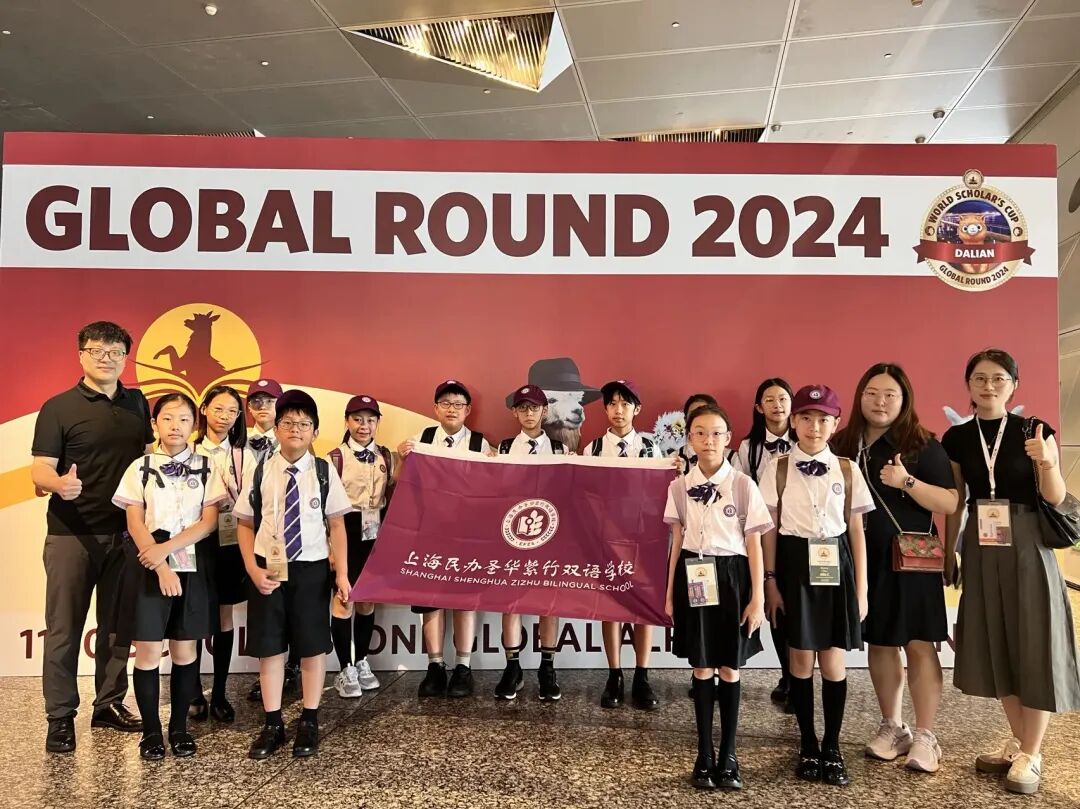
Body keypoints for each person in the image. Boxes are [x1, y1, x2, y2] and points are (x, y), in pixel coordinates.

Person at [942, 348, 1080, 795]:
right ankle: (1021, 744)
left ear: (1014, 384)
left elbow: (1056, 496)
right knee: (995, 640)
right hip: (981, 543)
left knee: (1033, 642)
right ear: (969, 384)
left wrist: (1047, 461)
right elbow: (957, 500)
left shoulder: (1034, 430)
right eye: (980, 378)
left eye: (999, 378)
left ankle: (1032, 753)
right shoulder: (957, 438)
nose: (989, 386)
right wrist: (949, 551)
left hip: (1027, 542)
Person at [31, 321, 153, 753]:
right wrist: (58, 484)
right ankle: (60, 716)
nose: (106, 358)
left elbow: (148, 458)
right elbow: (39, 469)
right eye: (96, 350)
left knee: (117, 628)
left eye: (115, 351)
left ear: (125, 357)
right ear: (81, 354)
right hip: (72, 534)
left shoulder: (138, 403)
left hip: (126, 534)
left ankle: (108, 704)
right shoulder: (58, 407)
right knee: (64, 629)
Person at [832, 364, 958, 773]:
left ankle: (926, 735)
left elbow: (950, 502)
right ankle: (893, 726)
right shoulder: (842, 443)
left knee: (919, 644)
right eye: (872, 393)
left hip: (912, 560)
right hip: (863, 561)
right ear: (860, 397)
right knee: (881, 642)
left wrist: (906, 481)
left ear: (904, 400)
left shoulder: (921, 443)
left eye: (890, 394)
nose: (880, 401)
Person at [761, 385, 873, 787]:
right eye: (806, 417)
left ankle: (832, 746)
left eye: (824, 419)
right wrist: (770, 580)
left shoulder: (848, 469)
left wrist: (861, 589)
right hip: (793, 564)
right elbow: (769, 529)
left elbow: (856, 531)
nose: (814, 426)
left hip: (835, 565)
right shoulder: (776, 468)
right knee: (800, 661)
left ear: (836, 423)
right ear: (794, 421)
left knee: (833, 662)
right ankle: (807, 744)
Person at [234, 390, 352, 759]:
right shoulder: (261, 469)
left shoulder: (323, 471)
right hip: (267, 568)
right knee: (270, 648)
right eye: (288, 423)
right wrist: (252, 568)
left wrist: (342, 574)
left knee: (312, 647)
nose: (295, 429)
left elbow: (337, 526)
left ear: (315, 431)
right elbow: (244, 523)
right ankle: (273, 723)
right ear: (277, 428)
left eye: (304, 424)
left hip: (311, 569)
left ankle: (309, 719)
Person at [111, 393, 226, 760]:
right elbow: (134, 522)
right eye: (168, 418)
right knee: (147, 650)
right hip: (148, 561)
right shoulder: (140, 467)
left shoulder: (207, 466)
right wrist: (160, 563)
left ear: (194, 424)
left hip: (191, 558)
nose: (175, 426)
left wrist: (169, 550)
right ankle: (150, 732)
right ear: (154, 424)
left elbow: (209, 522)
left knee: (184, 649)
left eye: (184, 419)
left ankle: (179, 728)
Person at [665, 404, 771, 790]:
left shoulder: (743, 486)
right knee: (701, 666)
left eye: (716, 433)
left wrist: (757, 598)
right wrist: (669, 595)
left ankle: (729, 755)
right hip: (694, 574)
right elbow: (676, 543)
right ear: (689, 438)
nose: (708, 440)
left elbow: (755, 544)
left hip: (733, 578)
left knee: (729, 667)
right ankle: (704, 754)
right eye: (700, 432)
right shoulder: (679, 487)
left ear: (728, 439)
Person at [399, 379, 493, 699]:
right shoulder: (421, 440)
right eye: (446, 403)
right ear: (436, 408)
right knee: (430, 603)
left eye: (458, 404)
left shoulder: (480, 444)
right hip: (428, 534)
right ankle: (435, 666)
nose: (452, 409)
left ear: (468, 410)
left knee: (465, 601)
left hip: (468, 535)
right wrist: (402, 459)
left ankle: (463, 667)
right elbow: (402, 485)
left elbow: (493, 490)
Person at [582, 380, 663, 711]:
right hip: (606, 540)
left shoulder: (651, 448)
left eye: (625, 404)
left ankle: (642, 675)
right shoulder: (593, 449)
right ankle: (614, 674)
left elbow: (661, 494)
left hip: (643, 539)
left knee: (643, 607)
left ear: (637, 409)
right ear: (605, 409)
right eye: (612, 404)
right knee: (611, 606)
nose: (619, 410)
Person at [495, 384, 568, 702]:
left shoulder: (560, 449)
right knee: (510, 603)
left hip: (551, 535)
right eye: (522, 407)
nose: (528, 413)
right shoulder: (504, 447)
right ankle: (512, 668)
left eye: (534, 407)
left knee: (549, 603)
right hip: (512, 535)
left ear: (544, 411)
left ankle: (547, 668)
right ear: (515, 412)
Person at [328, 395, 398, 699]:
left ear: (378, 423)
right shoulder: (334, 459)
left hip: (375, 532)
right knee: (344, 600)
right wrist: (330, 548)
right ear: (347, 421)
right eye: (357, 419)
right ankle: (345, 668)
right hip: (345, 530)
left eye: (370, 420)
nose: (364, 425)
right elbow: (326, 509)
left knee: (368, 601)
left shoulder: (388, 457)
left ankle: (361, 661)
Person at [732, 378, 795, 709]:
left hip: (800, 535)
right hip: (763, 538)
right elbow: (738, 490)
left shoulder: (806, 440)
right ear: (759, 407)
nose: (777, 405)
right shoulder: (749, 448)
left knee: (801, 606)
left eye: (782, 398)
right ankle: (787, 675)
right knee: (775, 606)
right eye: (769, 400)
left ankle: (801, 677)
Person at [190, 385, 248, 723]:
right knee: (196, 615)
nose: (225, 417)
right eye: (218, 409)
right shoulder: (189, 450)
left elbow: (253, 500)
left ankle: (221, 691)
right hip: (195, 541)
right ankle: (194, 691)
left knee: (225, 615)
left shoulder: (244, 455)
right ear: (204, 409)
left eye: (232, 411)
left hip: (228, 540)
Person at [676, 394, 718, 475]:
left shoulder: (731, 457)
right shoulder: (674, 458)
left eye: (704, 413)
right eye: (693, 414)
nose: (699, 419)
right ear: (685, 420)